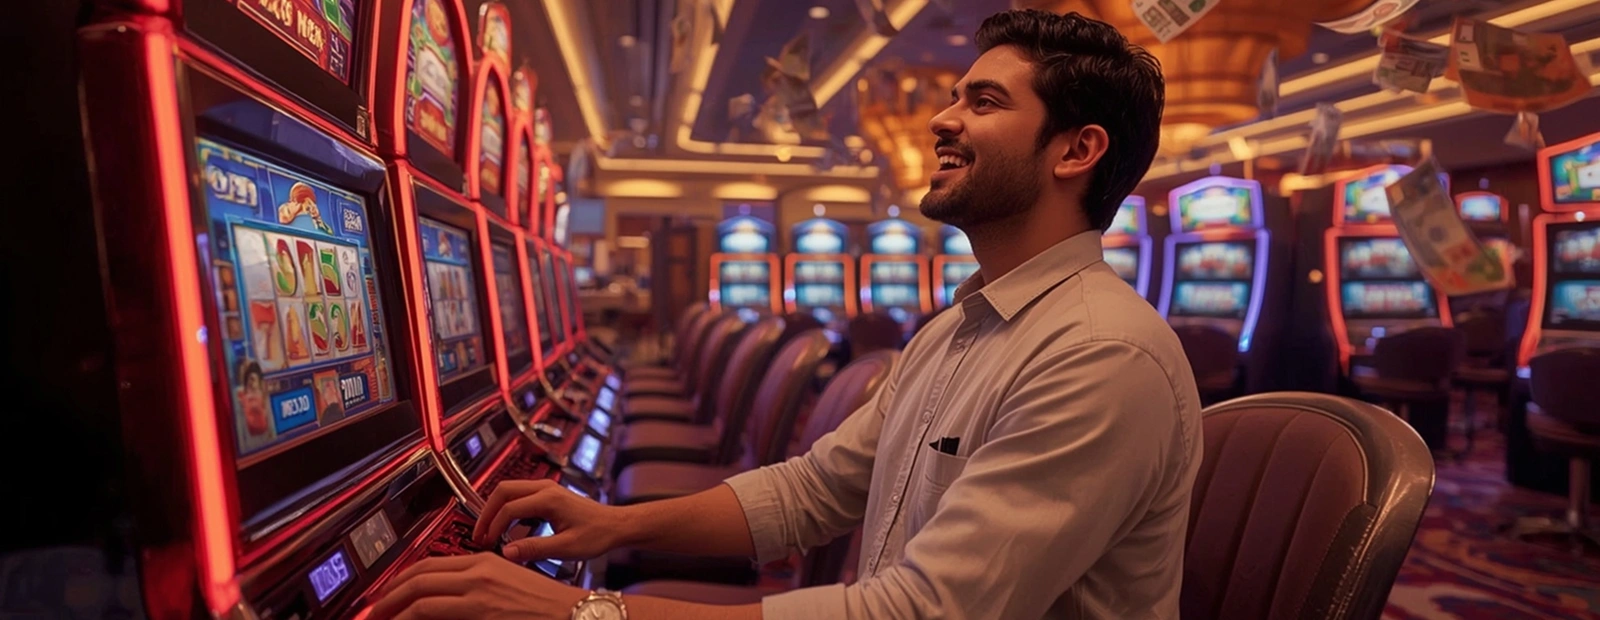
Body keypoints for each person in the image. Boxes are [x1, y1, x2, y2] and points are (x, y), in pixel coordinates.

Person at [370, 9, 1200, 620]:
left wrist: (584, 613)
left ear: (1076, 150)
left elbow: (924, 614)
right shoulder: (956, 329)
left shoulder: (1101, 355)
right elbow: (813, 491)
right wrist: (609, 525)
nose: (943, 119)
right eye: (953, 97)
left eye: (983, 103)